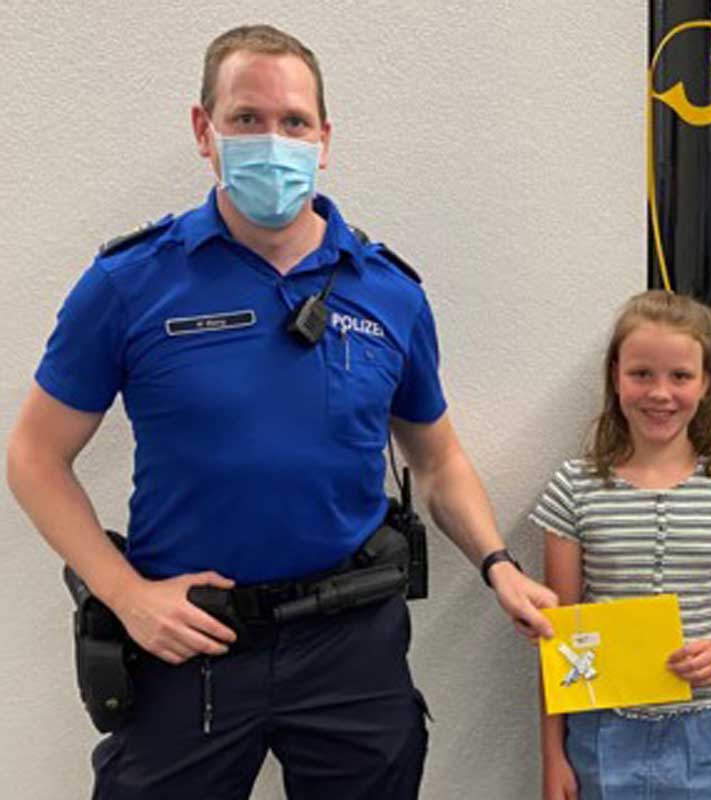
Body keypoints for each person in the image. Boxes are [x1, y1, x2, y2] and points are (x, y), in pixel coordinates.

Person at [5, 23, 555, 800]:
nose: (274, 140)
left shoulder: (389, 291)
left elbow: (438, 460)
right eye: (247, 118)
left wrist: (498, 565)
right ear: (205, 130)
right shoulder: (130, 284)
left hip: (351, 643)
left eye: (294, 121)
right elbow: (34, 456)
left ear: (324, 138)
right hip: (191, 638)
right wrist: (124, 595)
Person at [532, 290, 711, 799]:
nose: (660, 393)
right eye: (641, 374)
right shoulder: (573, 489)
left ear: (706, 383)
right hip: (602, 726)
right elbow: (557, 636)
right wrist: (552, 755)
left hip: (704, 731)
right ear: (616, 377)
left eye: (680, 376)